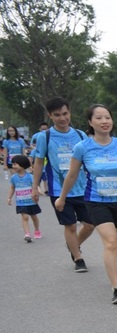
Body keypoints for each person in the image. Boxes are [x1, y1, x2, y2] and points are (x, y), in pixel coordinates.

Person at [55, 104, 117, 304]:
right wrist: (62, 197)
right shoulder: (82, 147)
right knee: (110, 242)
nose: (104, 121)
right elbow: (72, 175)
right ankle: (116, 288)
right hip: (96, 201)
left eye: (107, 117)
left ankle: (115, 270)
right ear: (90, 122)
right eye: (99, 118)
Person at [31, 96, 93, 273]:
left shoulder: (80, 135)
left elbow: (88, 160)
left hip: (82, 188)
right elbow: (39, 163)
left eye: (65, 113)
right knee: (70, 225)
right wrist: (35, 187)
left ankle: (73, 244)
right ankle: (78, 258)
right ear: (50, 116)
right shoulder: (45, 137)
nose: (62, 118)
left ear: (69, 112)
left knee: (90, 224)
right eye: (57, 115)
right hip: (59, 190)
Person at [8, 155, 41, 241]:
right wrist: (9, 198)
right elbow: (12, 188)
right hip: (21, 202)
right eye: (13, 164)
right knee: (25, 217)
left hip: (31, 201)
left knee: (34, 217)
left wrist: (38, 191)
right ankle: (27, 234)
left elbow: (35, 185)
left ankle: (37, 230)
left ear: (22, 164)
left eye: (15, 164)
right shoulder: (14, 178)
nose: (13, 166)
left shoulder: (30, 176)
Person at [29, 123, 49, 194]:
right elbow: (31, 145)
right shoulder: (36, 136)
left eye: (45, 129)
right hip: (38, 157)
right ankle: (37, 189)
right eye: (42, 129)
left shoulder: (49, 135)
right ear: (39, 129)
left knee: (45, 178)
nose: (44, 131)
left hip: (46, 162)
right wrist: (37, 149)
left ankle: (46, 190)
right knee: (38, 178)